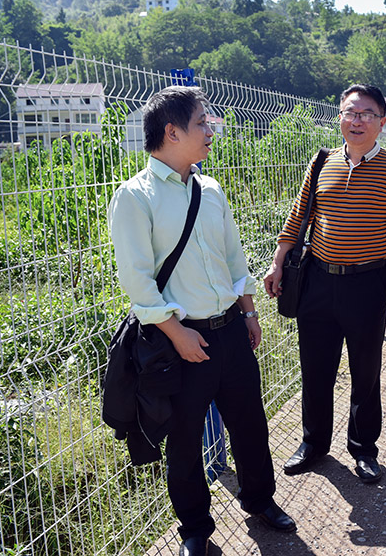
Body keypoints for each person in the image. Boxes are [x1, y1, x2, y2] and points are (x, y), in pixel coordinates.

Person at [108, 86, 295, 556]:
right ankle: (194, 528)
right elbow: (137, 281)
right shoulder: (135, 196)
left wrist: (248, 310)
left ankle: (260, 500)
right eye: (201, 124)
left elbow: (233, 256)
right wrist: (177, 333)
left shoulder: (209, 188)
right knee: (186, 440)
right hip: (180, 341)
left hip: (229, 330)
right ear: (172, 132)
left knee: (250, 424)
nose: (210, 131)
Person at [263, 84, 386, 485]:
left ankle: (364, 449)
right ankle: (313, 444)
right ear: (339, 118)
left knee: (365, 370)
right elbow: (297, 219)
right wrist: (278, 263)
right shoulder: (322, 163)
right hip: (317, 279)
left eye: (367, 114)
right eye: (350, 113)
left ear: (382, 122)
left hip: (367, 283)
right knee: (315, 369)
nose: (357, 121)